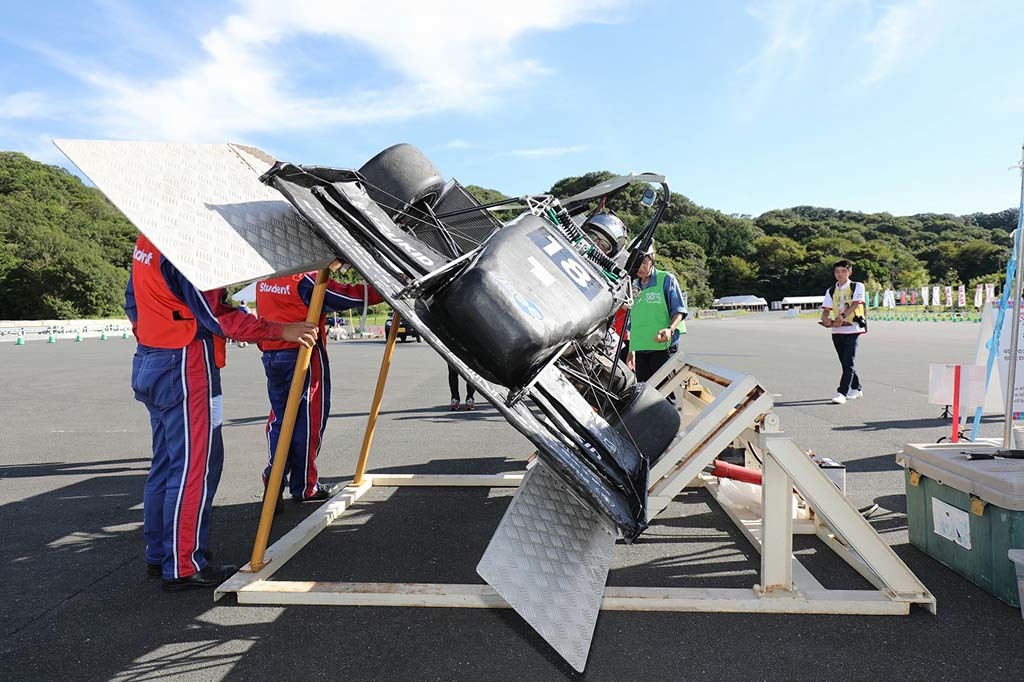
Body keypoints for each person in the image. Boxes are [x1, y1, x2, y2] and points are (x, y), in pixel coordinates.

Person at [125, 234, 317, 591]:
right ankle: (185, 563)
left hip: (152, 356)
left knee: (166, 464)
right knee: (195, 467)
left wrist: (153, 336)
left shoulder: (147, 239)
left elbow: (132, 300)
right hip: (184, 362)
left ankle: (160, 555)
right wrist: (280, 330)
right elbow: (217, 316)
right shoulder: (184, 246)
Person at [256, 271, 382, 502]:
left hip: (272, 352)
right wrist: (383, 288)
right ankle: (304, 486)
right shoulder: (305, 278)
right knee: (308, 421)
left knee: (282, 419)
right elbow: (343, 296)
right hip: (302, 353)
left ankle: (274, 476)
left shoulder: (267, 276)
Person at [626, 244, 687, 382]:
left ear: (652, 259)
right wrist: (632, 350)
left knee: (664, 392)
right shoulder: (632, 286)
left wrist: (670, 329)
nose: (640, 267)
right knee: (644, 392)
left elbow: (678, 310)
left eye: (644, 262)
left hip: (663, 347)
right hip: (641, 348)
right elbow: (634, 321)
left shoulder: (666, 279)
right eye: (636, 263)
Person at [819, 259, 866, 404]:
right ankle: (856, 388)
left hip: (853, 328)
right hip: (837, 329)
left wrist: (842, 316)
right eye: (837, 271)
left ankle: (842, 392)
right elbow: (826, 309)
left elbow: (855, 304)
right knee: (845, 362)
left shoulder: (857, 286)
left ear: (850, 272)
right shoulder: (831, 290)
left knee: (848, 361)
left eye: (844, 271)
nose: (840, 274)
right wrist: (825, 319)